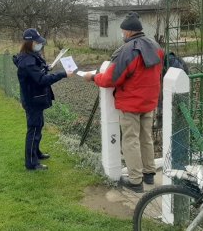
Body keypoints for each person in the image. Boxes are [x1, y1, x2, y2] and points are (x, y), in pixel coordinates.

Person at [84, 12, 164, 192]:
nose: (122, 34)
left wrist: (93, 77)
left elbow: (110, 79)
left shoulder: (127, 51)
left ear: (128, 32)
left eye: (122, 31)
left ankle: (135, 181)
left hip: (131, 104)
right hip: (149, 100)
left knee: (130, 140)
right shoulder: (155, 46)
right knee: (146, 137)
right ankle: (149, 173)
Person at [13, 28, 73, 171]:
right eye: (37, 42)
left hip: (35, 98)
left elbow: (37, 72)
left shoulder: (31, 56)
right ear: (31, 42)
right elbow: (40, 80)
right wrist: (62, 74)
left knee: (38, 126)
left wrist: (46, 67)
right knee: (33, 129)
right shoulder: (27, 61)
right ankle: (31, 163)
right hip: (32, 100)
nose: (40, 45)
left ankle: (36, 152)